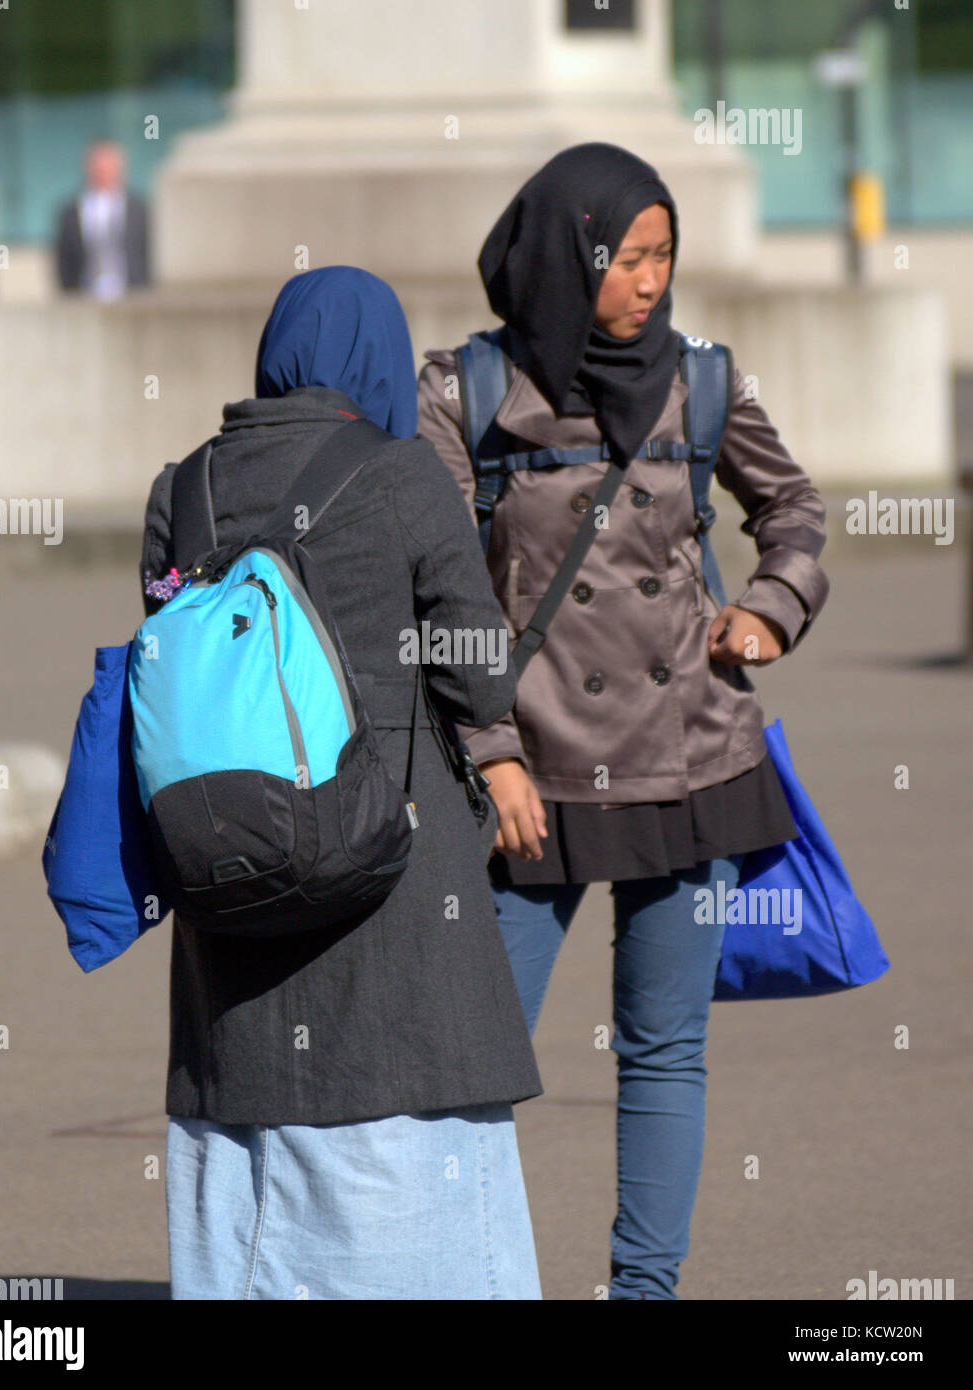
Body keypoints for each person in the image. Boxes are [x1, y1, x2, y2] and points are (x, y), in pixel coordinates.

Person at [416, 143, 830, 1300]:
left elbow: (790, 507)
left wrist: (769, 608)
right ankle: (463, 1277)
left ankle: (642, 1293)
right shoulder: (464, 390)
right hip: (531, 775)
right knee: (472, 1057)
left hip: (690, 759)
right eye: (626, 257)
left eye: (663, 256)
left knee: (665, 1051)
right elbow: (440, 588)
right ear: (565, 254)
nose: (650, 282)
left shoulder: (702, 379)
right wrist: (490, 752)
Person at [139, 266, 543, 1300]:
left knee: (251, 1146)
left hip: (224, 863)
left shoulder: (181, 488)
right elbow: (475, 662)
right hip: (387, 872)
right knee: (402, 1126)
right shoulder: (399, 472)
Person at [56, 140, 150, 299]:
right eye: (98, 165)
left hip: (132, 295)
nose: (103, 170)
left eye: (108, 164)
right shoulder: (70, 212)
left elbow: (146, 252)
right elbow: (64, 262)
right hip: (85, 295)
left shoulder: (139, 209)